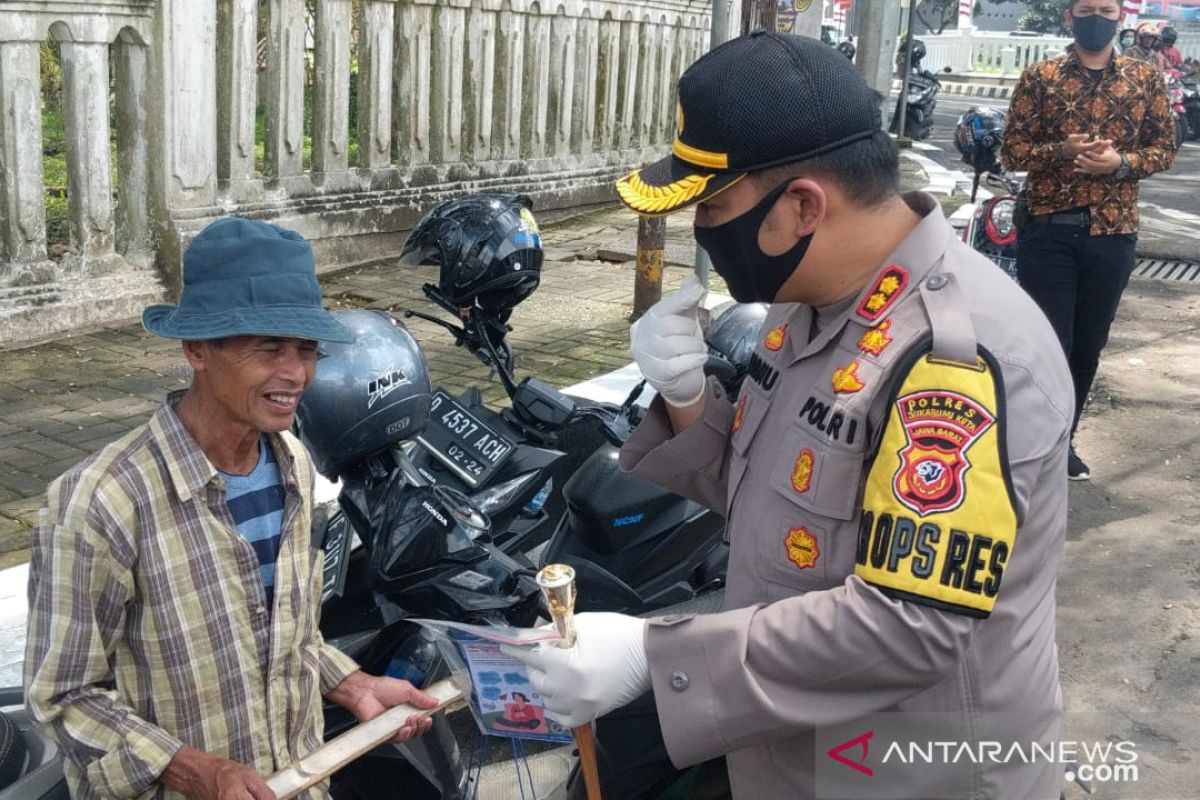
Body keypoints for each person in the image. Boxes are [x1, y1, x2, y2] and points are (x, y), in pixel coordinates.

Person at [504, 31, 1075, 799]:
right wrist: (688, 402)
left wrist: (655, 653)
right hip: (797, 745)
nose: (703, 233)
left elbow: (907, 628)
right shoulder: (812, 304)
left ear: (804, 204)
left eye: (715, 207)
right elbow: (784, 499)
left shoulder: (956, 361)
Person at [25, 218, 437, 800]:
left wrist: (354, 685)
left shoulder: (292, 461)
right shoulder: (101, 503)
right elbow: (63, 697)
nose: (294, 374)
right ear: (197, 349)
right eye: (268, 348)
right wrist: (194, 770)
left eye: (305, 349)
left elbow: (282, 639)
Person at [1002, 0, 1175, 480]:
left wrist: (1121, 164)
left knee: (1088, 345)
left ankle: (1062, 442)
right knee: (1049, 344)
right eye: (1085, 8)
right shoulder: (1041, 76)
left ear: (1120, 17)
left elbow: (1165, 148)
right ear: (1069, 16)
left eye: (1104, 9)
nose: (1095, 17)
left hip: (1114, 232)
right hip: (1049, 229)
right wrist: (1061, 150)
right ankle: (1029, 444)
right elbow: (1012, 149)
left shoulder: (1145, 78)